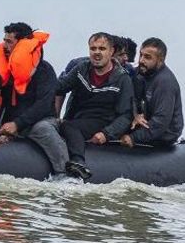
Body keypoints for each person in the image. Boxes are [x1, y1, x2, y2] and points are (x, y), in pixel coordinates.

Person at [0, 22, 71, 179]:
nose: (4, 46)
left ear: (21, 44)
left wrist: (17, 124)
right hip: (12, 123)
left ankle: (64, 173)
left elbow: (43, 104)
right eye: (4, 40)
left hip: (41, 120)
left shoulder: (44, 70)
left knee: (42, 129)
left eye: (9, 42)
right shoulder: (6, 70)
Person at [52, 33, 134, 179]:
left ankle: (78, 162)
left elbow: (126, 115)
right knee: (63, 125)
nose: (97, 53)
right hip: (80, 119)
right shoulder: (82, 69)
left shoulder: (122, 78)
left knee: (69, 126)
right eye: (93, 48)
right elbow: (60, 87)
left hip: (103, 122)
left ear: (111, 52)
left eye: (102, 48)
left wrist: (106, 134)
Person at [120, 37, 183, 147]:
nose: (141, 61)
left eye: (147, 57)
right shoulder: (141, 73)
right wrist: (135, 114)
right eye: (141, 55)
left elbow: (161, 122)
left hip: (163, 136)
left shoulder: (165, 82)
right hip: (143, 124)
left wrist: (133, 137)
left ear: (160, 60)